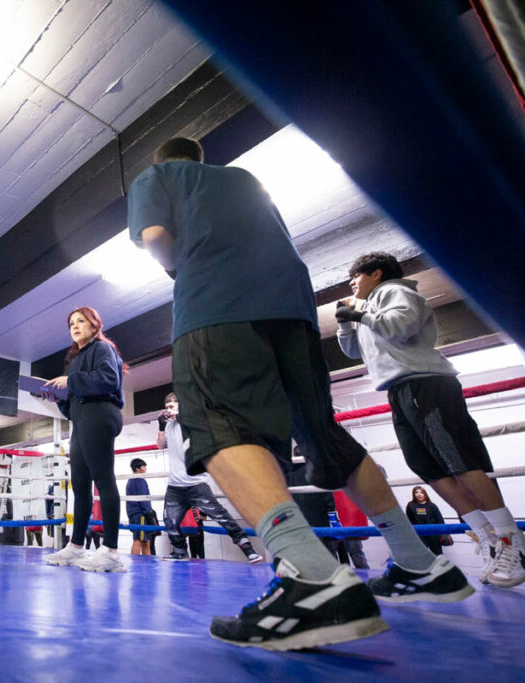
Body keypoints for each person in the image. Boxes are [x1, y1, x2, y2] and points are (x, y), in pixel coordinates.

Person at [129, 137, 471, 650]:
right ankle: (420, 562)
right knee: (322, 434)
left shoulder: (158, 177)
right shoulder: (244, 180)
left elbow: (155, 234)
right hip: (293, 309)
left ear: (165, 160)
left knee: (214, 424)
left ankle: (310, 576)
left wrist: (180, 267)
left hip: (216, 308)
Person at [337, 251, 524, 587]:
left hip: (425, 382)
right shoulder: (367, 307)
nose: (352, 283)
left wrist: (360, 313)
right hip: (398, 389)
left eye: (357, 276)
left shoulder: (397, 292)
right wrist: (345, 322)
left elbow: (400, 327)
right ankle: (486, 536)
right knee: (427, 467)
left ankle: (511, 540)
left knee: (459, 462)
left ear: (376, 274)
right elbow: (354, 352)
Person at [42, 307, 127, 573]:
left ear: (94, 325)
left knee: (103, 479)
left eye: (81, 321)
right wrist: (57, 398)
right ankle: (76, 546)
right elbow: (74, 400)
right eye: (71, 323)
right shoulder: (77, 359)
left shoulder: (102, 348)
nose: (75, 326)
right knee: (79, 484)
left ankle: (111, 551)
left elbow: (109, 380)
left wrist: (70, 381)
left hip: (101, 413)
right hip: (82, 418)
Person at [158, 392, 262, 563]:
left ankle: (248, 549)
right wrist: (161, 428)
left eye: (172, 406)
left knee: (222, 517)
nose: (168, 410)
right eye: (167, 407)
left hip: (196, 484)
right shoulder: (169, 426)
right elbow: (161, 445)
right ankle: (180, 551)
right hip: (175, 487)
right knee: (169, 521)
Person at [405, 486, 446, 556]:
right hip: (419, 534)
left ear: (425, 494)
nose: (419, 494)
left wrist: (442, 534)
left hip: (433, 533)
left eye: (421, 492)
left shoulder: (432, 505)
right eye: (416, 492)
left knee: (437, 554)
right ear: (414, 494)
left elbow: (440, 520)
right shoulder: (411, 505)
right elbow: (408, 520)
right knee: (420, 555)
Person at [126, 458, 154, 556]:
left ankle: (146, 566)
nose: (145, 468)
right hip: (140, 514)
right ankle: (136, 566)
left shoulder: (132, 480)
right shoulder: (138, 480)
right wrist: (149, 513)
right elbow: (143, 499)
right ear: (137, 468)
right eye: (143, 466)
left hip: (136, 513)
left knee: (145, 541)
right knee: (138, 540)